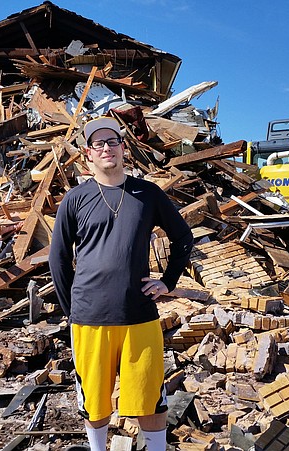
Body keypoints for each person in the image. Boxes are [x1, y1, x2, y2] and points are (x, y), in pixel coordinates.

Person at [49, 117, 193, 451]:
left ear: (123, 148)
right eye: (98, 144)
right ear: (88, 154)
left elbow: (183, 238)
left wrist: (167, 283)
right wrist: (73, 310)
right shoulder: (75, 199)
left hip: (139, 315)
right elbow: (57, 259)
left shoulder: (148, 194)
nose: (106, 148)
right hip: (89, 319)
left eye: (112, 141)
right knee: (95, 400)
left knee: (149, 398)